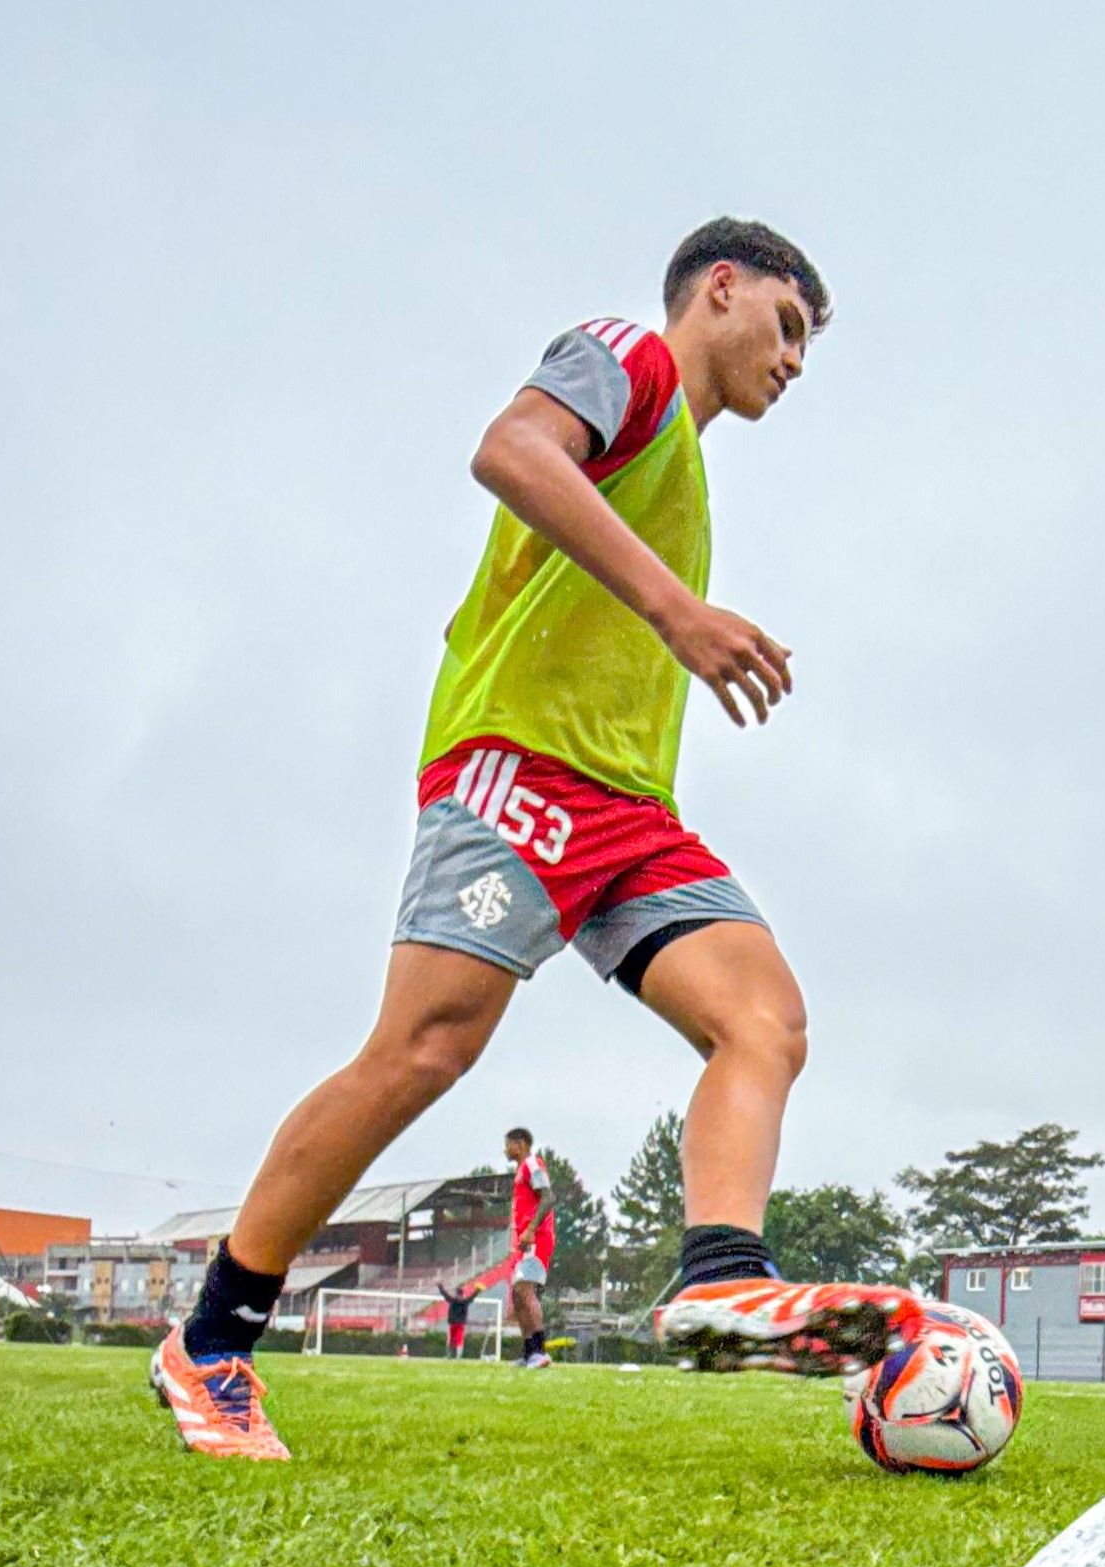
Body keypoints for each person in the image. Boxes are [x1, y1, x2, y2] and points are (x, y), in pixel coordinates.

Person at [153, 218, 923, 1460]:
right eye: (784, 327)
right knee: (422, 1051)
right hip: (516, 766)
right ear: (717, 290)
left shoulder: (686, 463)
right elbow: (509, 449)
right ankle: (213, 1338)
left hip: (628, 813)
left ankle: (722, 1274)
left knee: (763, 1018)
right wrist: (678, 614)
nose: (792, 361)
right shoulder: (630, 357)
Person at [502, 1128, 555, 1367]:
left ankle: (540, 1352)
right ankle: (529, 1353)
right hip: (525, 1242)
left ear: (520, 1143)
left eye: (508, 1144)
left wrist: (531, 1229)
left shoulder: (532, 1164)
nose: (505, 1150)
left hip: (537, 1239)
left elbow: (548, 1197)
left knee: (525, 1290)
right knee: (517, 1294)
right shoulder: (520, 1170)